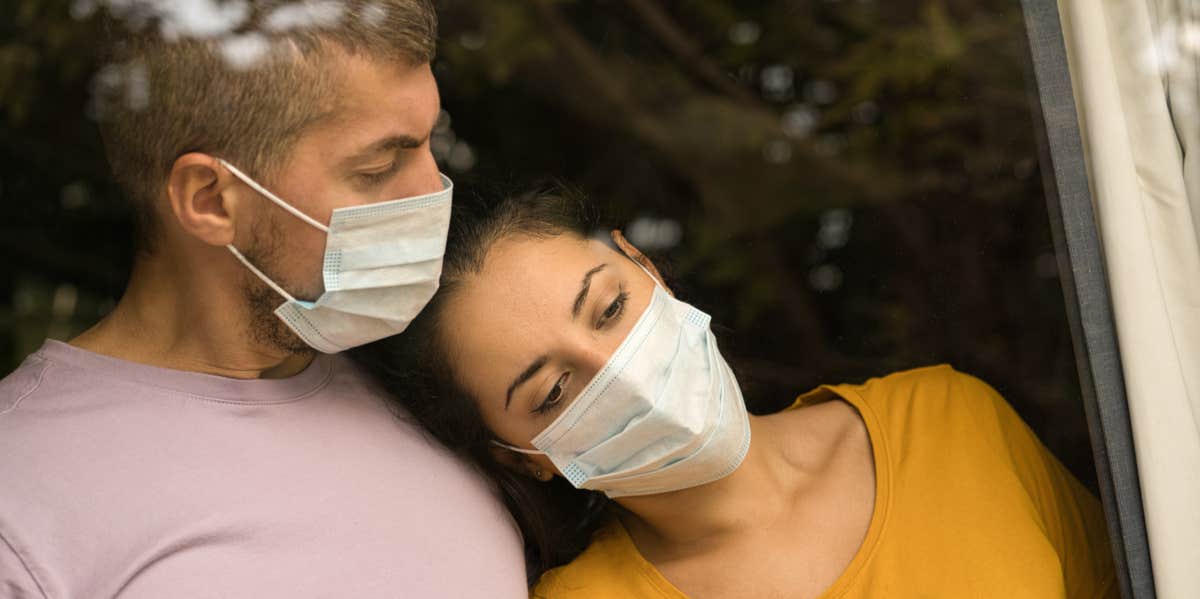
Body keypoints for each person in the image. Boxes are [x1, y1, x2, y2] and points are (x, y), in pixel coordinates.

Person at [352, 190, 1119, 598]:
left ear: (645, 265)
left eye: (610, 308)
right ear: (523, 460)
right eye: (554, 390)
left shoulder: (951, 420)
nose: (615, 366)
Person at [0, 2, 526, 596]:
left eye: (432, 140)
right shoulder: (23, 504)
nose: (433, 190)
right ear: (210, 200)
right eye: (379, 167)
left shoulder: (425, 378)